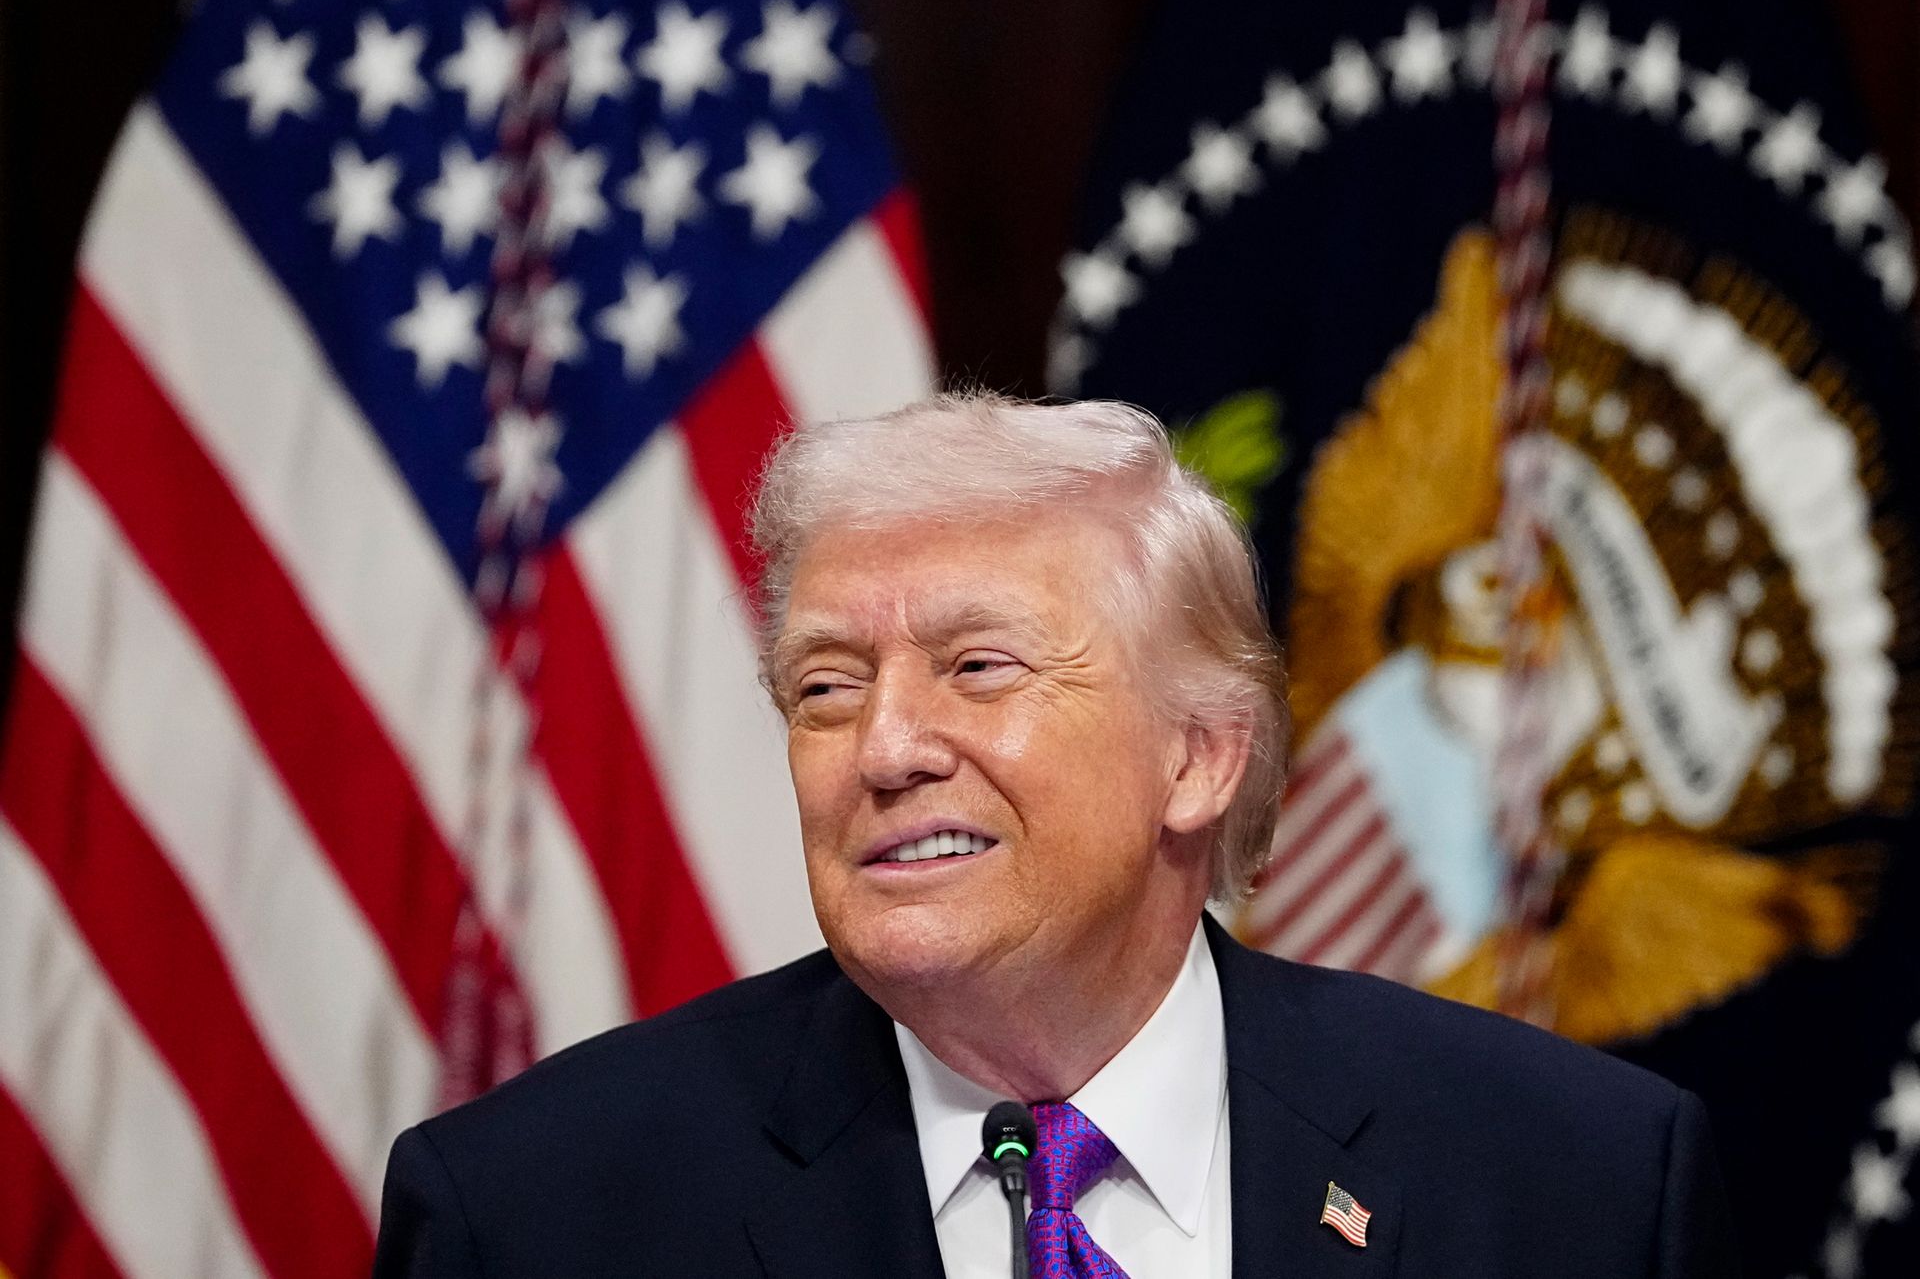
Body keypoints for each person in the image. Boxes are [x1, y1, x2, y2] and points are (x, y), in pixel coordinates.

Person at [371, 393, 1738, 1278]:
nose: (887, 749)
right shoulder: (539, 1217)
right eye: (826, 688)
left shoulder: (1576, 1185)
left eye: (978, 669)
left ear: (1199, 756)